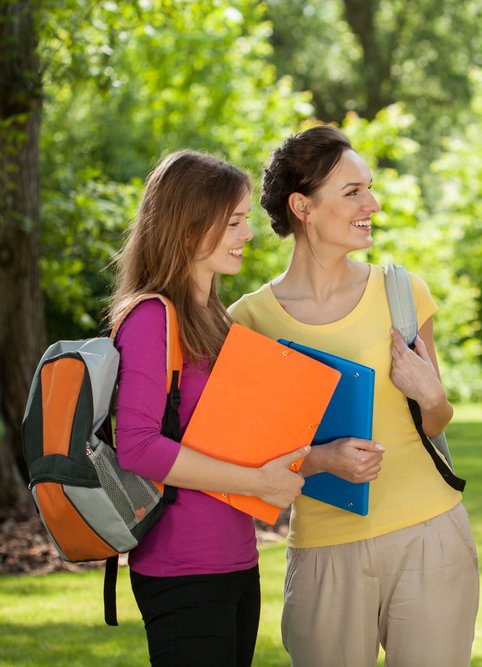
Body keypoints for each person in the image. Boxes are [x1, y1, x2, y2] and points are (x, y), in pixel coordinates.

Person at [229, 125, 478, 667]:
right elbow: (243, 460)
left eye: (370, 187)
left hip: (428, 533)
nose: (373, 203)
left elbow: (435, 420)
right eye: (352, 192)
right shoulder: (249, 322)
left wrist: (431, 394)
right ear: (303, 207)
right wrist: (320, 459)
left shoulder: (401, 292)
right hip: (323, 550)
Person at [110, 149, 309, 667]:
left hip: (236, 562)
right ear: (188, 225)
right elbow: (137, 446)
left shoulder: (215, 317)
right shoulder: (153, 316)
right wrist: (259, 484)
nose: (247, 234)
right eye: (234, 222)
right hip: (181, 569)